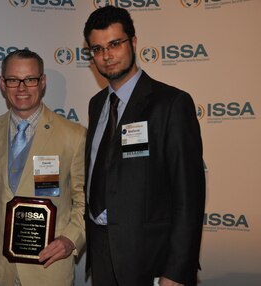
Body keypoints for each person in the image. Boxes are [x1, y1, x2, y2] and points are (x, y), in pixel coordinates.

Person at [83, 6, 206, 286]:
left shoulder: (171, 104)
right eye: (98, 48)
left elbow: (189, 196)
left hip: (149, 258)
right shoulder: (97, 104)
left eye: (115, 44)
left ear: (134, 42)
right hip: (102, 253)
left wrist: (176, 271)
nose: (107, 55)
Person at [0, 49, 86, 286]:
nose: (22, 88)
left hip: (49, 267)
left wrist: (71, 239)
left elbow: (84, 199)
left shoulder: (73, 136)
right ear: (2, 84)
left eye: (30, 79)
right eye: (13, 80)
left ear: (42, 82)